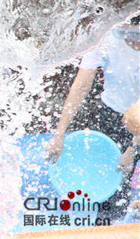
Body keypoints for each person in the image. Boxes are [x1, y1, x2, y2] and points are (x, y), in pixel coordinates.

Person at [45, 13, 140, 221]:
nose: (133, 42)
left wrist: (133, 148)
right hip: (114, 116)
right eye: (127, 36)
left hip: (137, 117)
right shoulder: (104, 36)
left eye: (138, 36)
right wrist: (59, 133)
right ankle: (108, 234)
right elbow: (80, 86)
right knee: (112, 191)